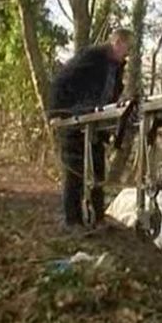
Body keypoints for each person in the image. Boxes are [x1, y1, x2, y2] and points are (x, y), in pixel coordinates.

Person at [49, 29, 133, 229]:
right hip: (74, 117)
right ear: (117, 42)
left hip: (96, 121)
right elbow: (61, 80)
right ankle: (73, 220)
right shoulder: (92, 56)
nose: (128, 53)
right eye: (127, 48)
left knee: (97, 169)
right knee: (75, 170)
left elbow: (112, 91)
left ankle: (98, 218)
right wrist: (55, 112)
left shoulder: (118, 67)